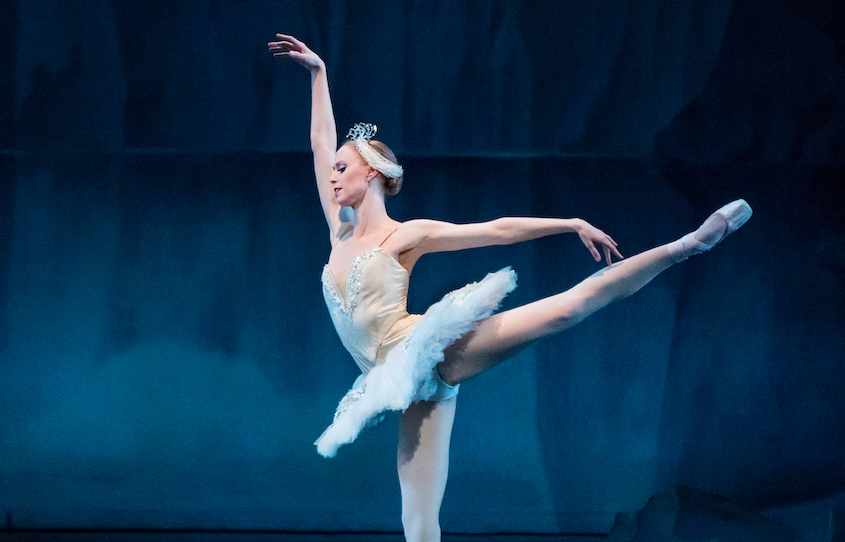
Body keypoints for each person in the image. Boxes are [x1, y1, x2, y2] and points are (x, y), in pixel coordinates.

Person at [269, 33, 752, 542]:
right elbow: (321, 145)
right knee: (418, 522)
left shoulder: (403, 236)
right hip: (395, 382)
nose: (331, 177)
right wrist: (319, 75)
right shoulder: (338, 232)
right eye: (332, 172)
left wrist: (568, 222)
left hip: (426, 349)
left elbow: (496, 230)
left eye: (343, 169)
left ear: (370, 172)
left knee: (566, 310)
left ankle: (688, 244)